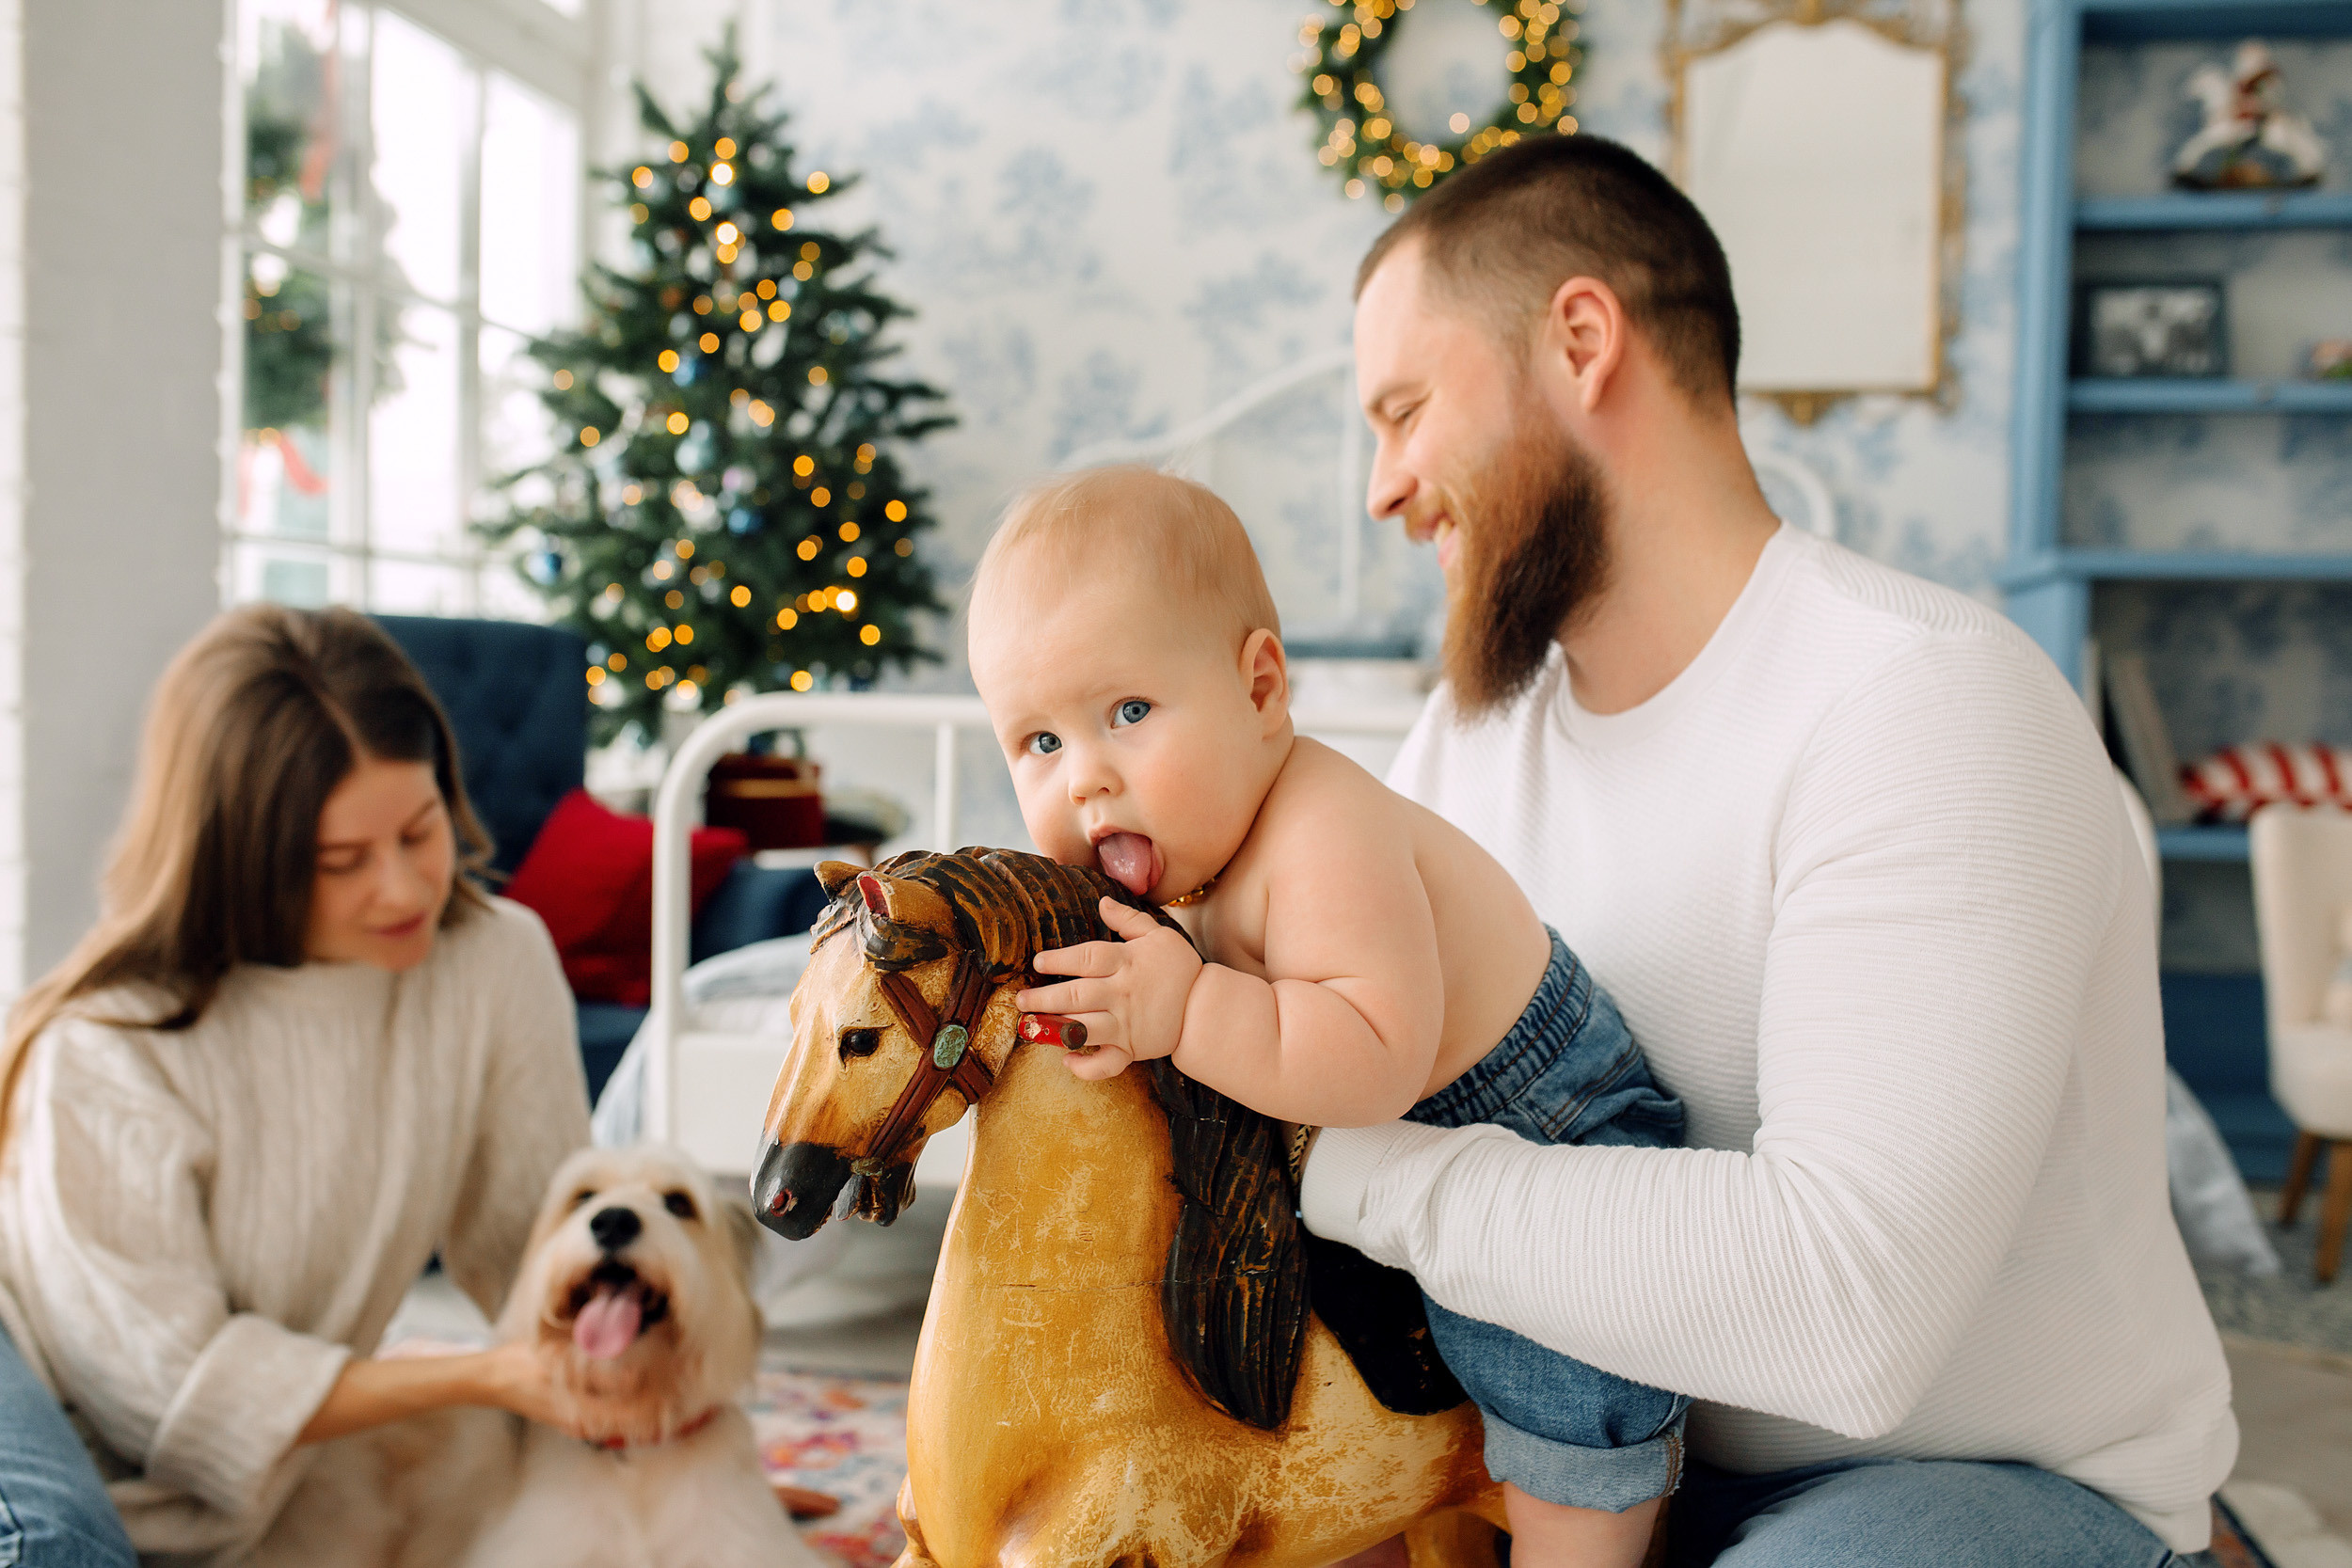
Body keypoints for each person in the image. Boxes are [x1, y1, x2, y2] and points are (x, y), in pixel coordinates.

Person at [1295, 133, 2235, 1565]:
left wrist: (1355, 1175)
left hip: (1976, 1485)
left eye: (1406, 410)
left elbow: (1846, 1310)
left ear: (1581, 341)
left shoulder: (1923, 702)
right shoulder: (1468, 741)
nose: (1384, 486)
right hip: (1602, 1461)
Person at [969, 467, 1688, 1568]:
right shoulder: (1181, 867)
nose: (1086, 781)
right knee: (1307, 1423)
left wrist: (1188, 1005)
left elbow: (1370, 1061)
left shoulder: (1322, 825)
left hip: (1544, 1139)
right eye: (1040, 743)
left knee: (1559, 1419)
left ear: (1260, 688)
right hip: (1371, 1178)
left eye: (1128, 712)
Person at [0, 606, 643, 1561]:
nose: (403, 888)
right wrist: (481, 1376)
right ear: (238, 861)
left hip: (247, 1487)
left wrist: (657, 1457)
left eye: (419, 829)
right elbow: (169, 1387)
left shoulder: (493, 960)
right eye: (341, 862)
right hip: (46, 1402)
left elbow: (539, 1258)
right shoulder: (110, 1041)